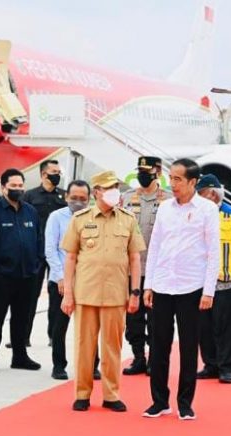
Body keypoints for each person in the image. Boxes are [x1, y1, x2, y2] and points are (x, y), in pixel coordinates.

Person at [60, 170, 145, 412]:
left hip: (116, 294)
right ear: (96, 191)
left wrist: (135, 292)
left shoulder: (127, 219)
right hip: (86, 292)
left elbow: (135, 258)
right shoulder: (80, 219)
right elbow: (71, 257)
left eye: (115, 187)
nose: (113, 192)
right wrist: (68, 293)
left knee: (112, 346)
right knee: (84, 346)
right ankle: (82, 393)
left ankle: (111, 394)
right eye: (108, 188)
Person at [142, 158, 220, 421]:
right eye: (171, 178)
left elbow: (213, 253)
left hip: (192, 287)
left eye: (178, 179)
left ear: (193, 182)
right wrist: (148, 284)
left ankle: (185, 403)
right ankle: (159, 401)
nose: (172, 184)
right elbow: (155, 247)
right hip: (163, 284)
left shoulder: (207, 210)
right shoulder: (164, 208)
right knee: (159, 345)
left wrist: (209, 291)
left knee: (188, 347)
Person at [0, 168, 44, 373]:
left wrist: (36, 264)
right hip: (1, 276)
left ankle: (20, 356)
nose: (17, 189)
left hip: (27, 274)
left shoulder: (30, 212)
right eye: (13, 186)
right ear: (3, 187)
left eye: (20, 185)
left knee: (22, 317)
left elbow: (38, 239)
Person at [195, 174, 231, 384]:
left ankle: (228, 368)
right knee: (204, 327)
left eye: (200, 193)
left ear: (211, 193)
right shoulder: (197, 214)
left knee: (227, 327)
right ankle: (210, 364)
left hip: (228, 280)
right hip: (201, 283)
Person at [120, 155, 172, 375]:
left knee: (157, 318)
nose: (143, 175)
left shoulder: (169, 200)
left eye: (147, 172)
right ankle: (138, 356)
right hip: (132, 269)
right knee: (133, 317)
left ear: (158, 173)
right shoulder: (126, 198)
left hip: (158, 270)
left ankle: (154, 358)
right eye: (140, 171)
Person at [6, 159, 66, 349]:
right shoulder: (29, 196)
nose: (57, 175)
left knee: (57, 295)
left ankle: (54, 336)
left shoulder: (64, 197)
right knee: (28, 296)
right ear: (43, 175)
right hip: (35, 253)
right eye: (53, 171)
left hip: (58, 254)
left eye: (58, 172)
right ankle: (22, 337)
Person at [45, 179, 99, 380]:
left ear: (89, 199)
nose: (78, 202)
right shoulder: (56, 217)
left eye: (82, 199)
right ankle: (59, 365)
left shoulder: (94, 217)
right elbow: (51, 250)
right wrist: (61, 279)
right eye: (74, 198)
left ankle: (93, 365)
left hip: (88, 281)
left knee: (91, 326)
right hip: (61, 282)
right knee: (59, 327)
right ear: (66, 197)